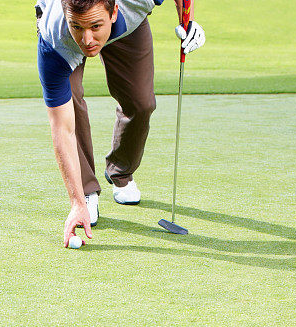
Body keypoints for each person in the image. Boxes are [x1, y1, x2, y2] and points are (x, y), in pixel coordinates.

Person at [36, 0, 205, 246]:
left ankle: (120, 170)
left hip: (127, 23)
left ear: (114, 11)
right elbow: (62, 128)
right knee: (69, 102)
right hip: (63, 36)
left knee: (141, 102)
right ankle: (86, 192)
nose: (87, 40)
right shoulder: (55, 39)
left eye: (95, 27)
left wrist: (186, 21)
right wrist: (75, 202)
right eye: (79, 28)